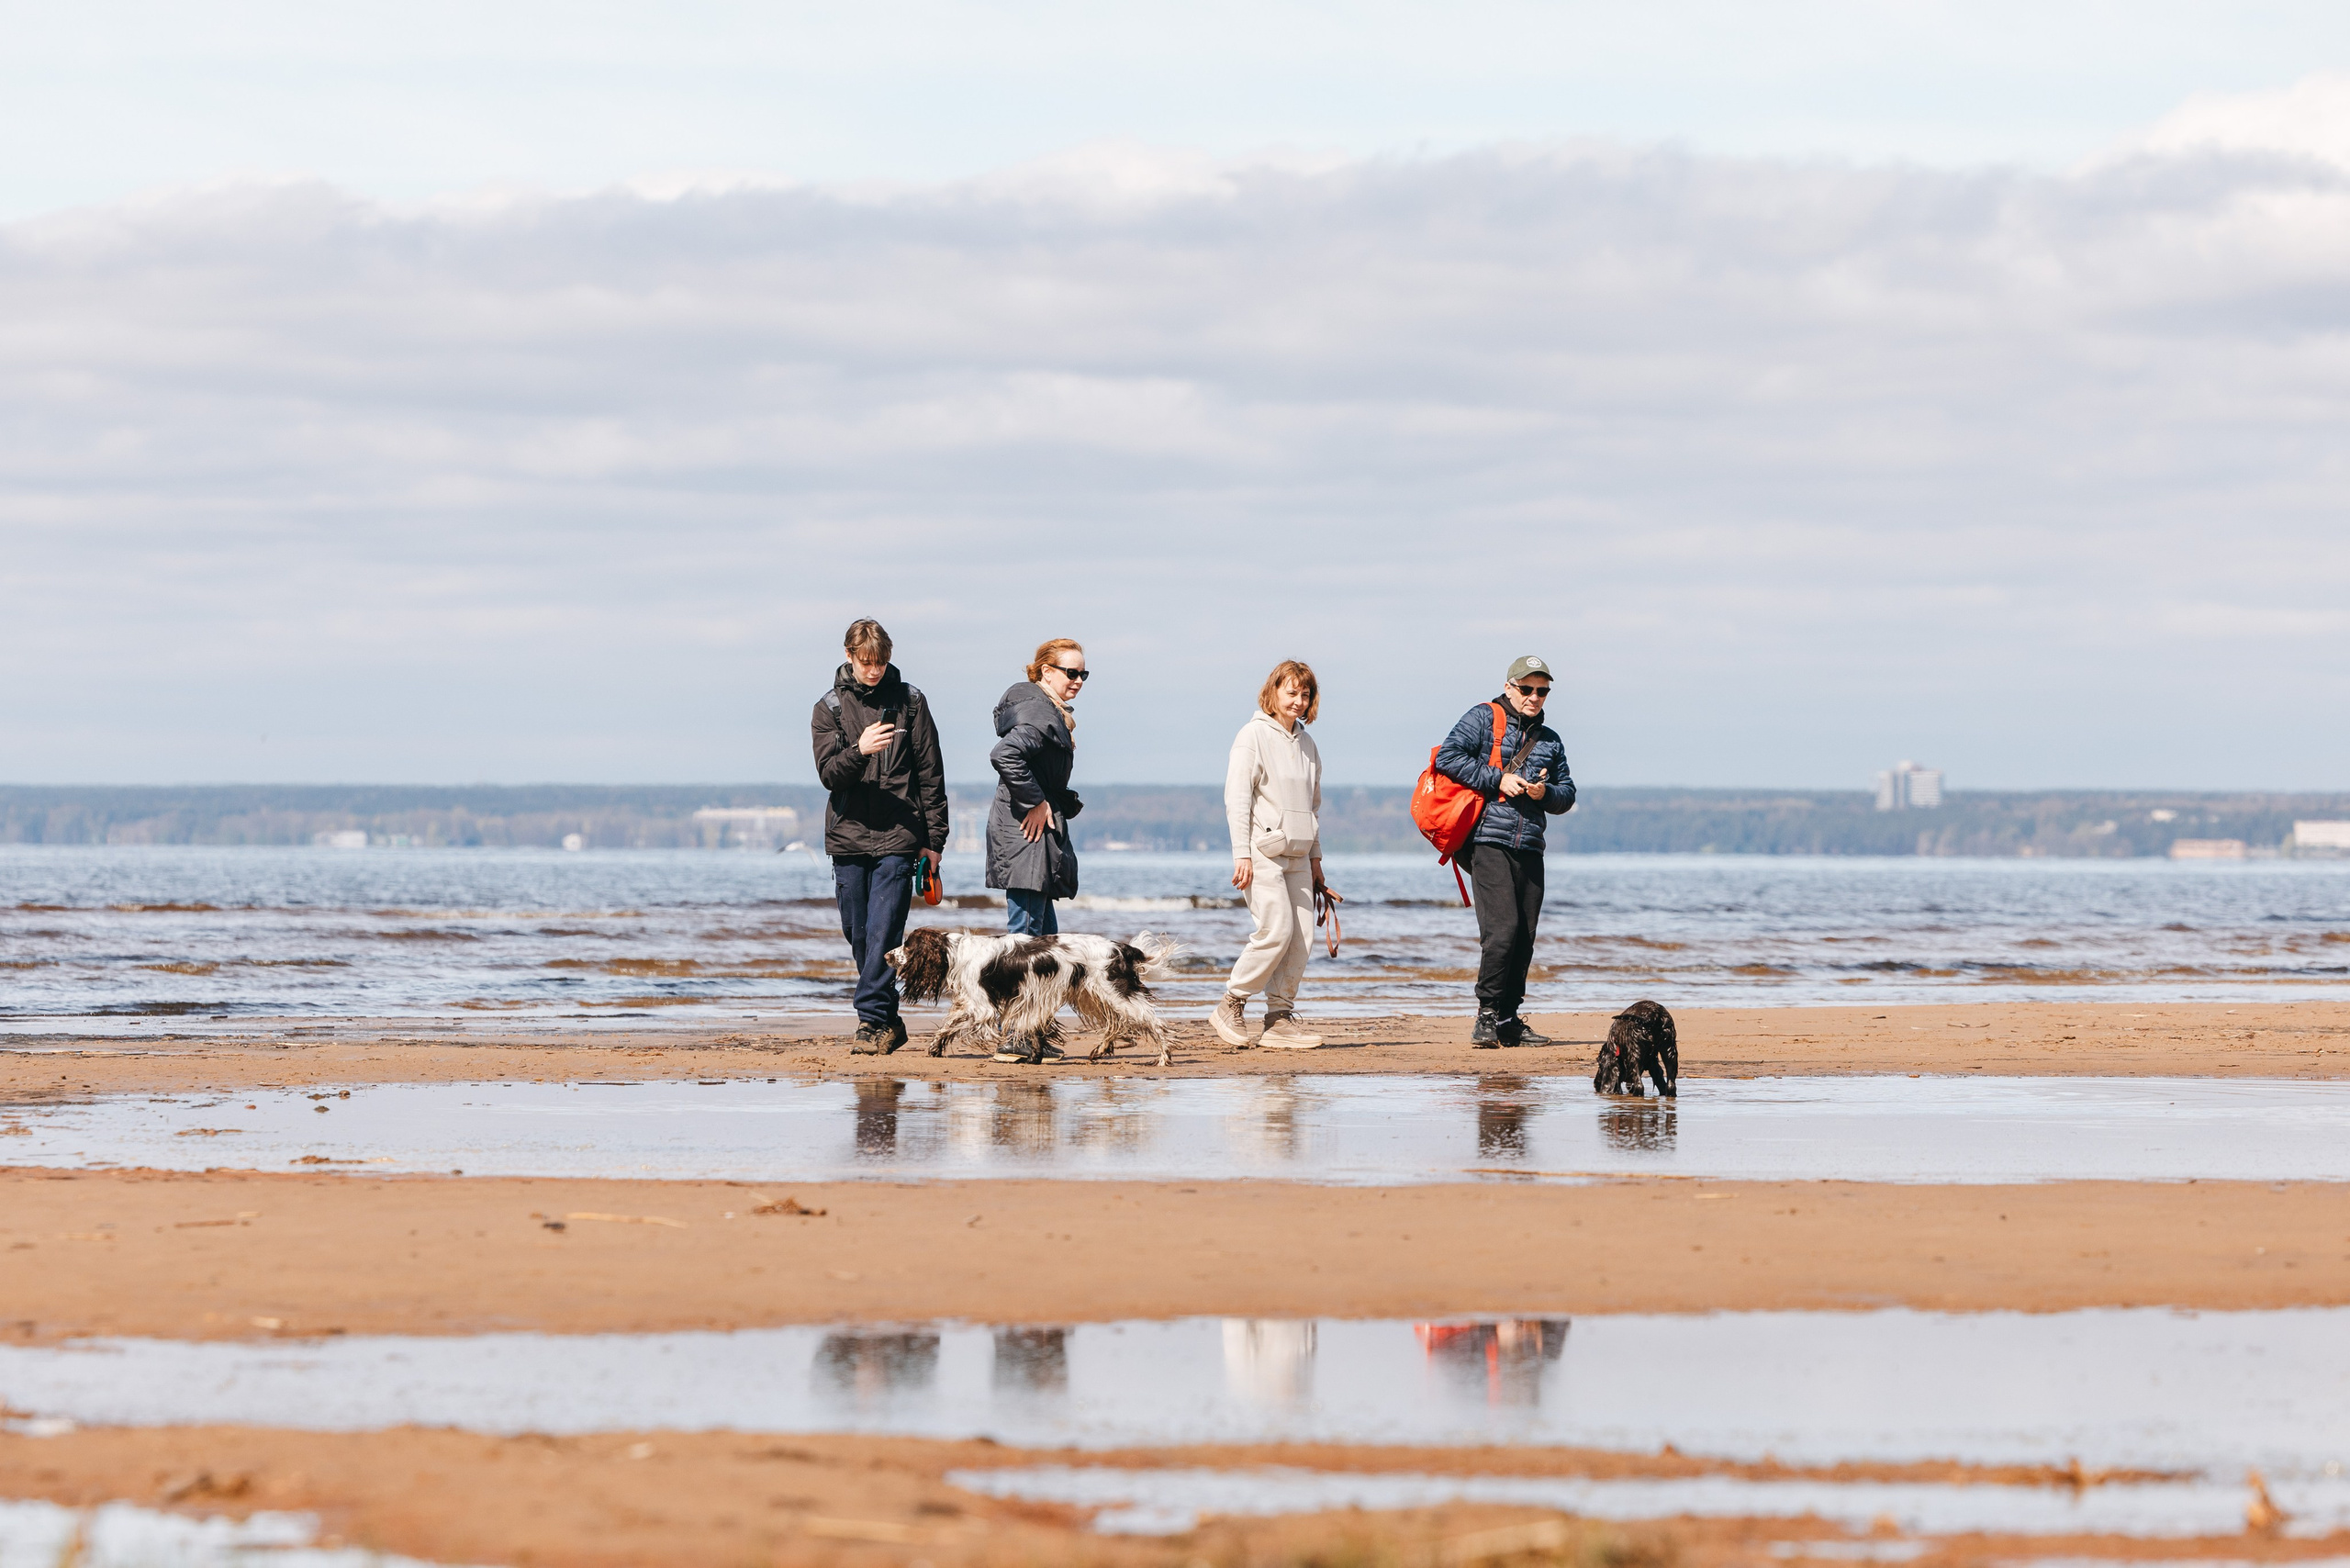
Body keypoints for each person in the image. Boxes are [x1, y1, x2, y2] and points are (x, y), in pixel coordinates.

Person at [810, 619, 948, 1055]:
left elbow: (931, 775)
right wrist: (859, 751)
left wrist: (935, 840)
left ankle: (870, 1018)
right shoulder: (828, 708)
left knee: (885, 930)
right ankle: (888, 1019)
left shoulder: (911, 701)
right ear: (849, 656)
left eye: (882, 661)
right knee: (859, 933)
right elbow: (830, 775)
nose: (874, 670)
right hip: (847, 836)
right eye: (867, 662)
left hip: (900, 835)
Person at [1434, 655, 1576, 1047]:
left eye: (1542, 691)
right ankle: (1487, 1016)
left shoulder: (1550, 740)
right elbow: (1448, 758)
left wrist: (1543, 792)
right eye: (1527, 688)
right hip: (1487, 839)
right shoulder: (1482, 717)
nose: (1534, 697)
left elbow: (1567, 795)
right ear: (1510, 686)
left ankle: (1510, 1018)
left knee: (1525, 936)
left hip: (1530, 844)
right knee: (1502, 931)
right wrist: (1500, 779)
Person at [1212, 659, 1328, 1050]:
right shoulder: (1252, 736)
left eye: (1304, 694)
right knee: (1275, 930)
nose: (1298, 701)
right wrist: (1240, 855)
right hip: (1261, 853)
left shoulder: (1308, 743)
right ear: (1273, 693)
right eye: (1291, 692)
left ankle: (1278, 1020)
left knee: (1302, 937)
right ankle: (1231, 1003)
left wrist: (1316, 861)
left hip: (1299, 855)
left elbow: (1313, 807)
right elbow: (1237, 799)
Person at [984, 637, 1087, 1063]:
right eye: (1071, 672)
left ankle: (1036, 1030)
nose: (1078, 681)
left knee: (1047, 942)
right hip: (1025, 833)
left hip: (1032, 834)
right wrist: (1036, 801)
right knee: (1025, 940)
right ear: (1046, 672)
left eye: (1084, 674)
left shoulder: (1046, 711)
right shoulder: (1038, 712)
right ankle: (1015, 1035)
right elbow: (1005, 754)